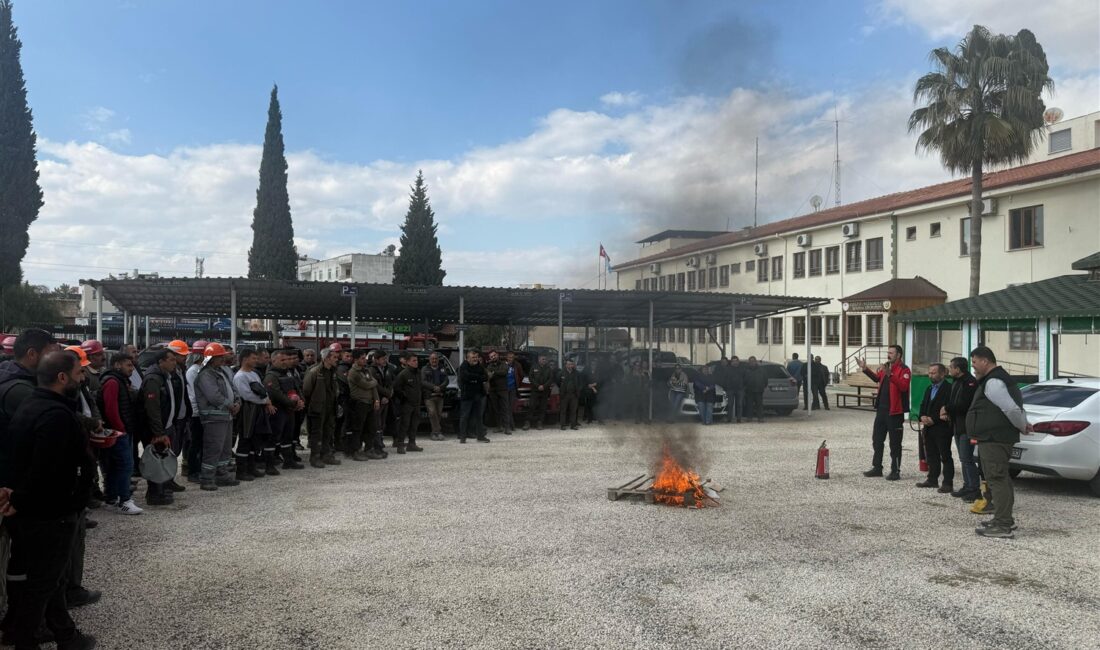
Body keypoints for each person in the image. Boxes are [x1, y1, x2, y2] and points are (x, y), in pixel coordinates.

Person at [0, 351, 97, 650]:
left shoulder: (33, 404)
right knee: (42, 583)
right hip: (51, 514)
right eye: (80, 373)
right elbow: (47, 469)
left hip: (38, 510)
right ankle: (24, 641)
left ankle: (65, 634)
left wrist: (16, 494)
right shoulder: (55, 415)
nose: (83, 379)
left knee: (47, 578)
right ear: (62, 377)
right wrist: (23, 499)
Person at [965, 346, 1028, 539]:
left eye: (974, 362)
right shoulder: (997, 379)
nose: (973, 367)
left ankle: (1002, 525)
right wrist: (1025, 424)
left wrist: (1023, 426)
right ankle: (1003, 520)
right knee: (1000, 479)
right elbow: (1013, 408)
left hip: (994, 439)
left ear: (985, 361)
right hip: (994, 437)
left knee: (997, 479)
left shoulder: (993, 381)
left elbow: (1010, 409)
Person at [97, 353, 143, 514]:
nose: (132, 369)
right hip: (118, 432)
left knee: (116, 467)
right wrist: (121, 429)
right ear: (117, 365)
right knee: (125, 465)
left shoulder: (119, 381)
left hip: (120, 430)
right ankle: (124, 499)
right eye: (128, 365)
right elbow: (111, 409)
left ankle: (111, 498)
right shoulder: (113, 382)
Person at [858, 345, 912, 481]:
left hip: (895, 412)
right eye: (888, 352)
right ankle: (877, 468)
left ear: (899, 355)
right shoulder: (886, 366)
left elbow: (904, 387)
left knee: (895, 443)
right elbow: (877, 378)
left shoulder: (904, 369)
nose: (888, 355)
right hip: (881, 410)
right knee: (877, 440)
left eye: (891, 353)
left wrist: (891, 375)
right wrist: (865, 369)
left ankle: (895, 470)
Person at [137, 349, 183, 506]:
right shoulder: (153, 379)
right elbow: (153, 408)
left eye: (174, 359)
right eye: (170, 359)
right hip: (155, 429)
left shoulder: (167, 376)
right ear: (160, 362)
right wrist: (158, 432)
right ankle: (155, 494)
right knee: (155, 461)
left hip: (167, 426)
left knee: (164, 459)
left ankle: (163, 488)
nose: (174, 362)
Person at [193, 343, 241, 491]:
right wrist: (230, 405)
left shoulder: (222, 371)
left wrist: (238, 402)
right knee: (213, 447)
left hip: (226, 415)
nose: (222, 359)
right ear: (211, 358)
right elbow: (213, 396)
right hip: (214, 417)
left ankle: (222, 474)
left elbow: (233, 388)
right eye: (219, 357)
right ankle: (207, 478)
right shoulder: (205, 374)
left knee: (225, 448)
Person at [941, 357, 980, 501]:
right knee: (963, 459)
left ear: (958, 369)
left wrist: (946, 408)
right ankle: (967, 485)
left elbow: (964, 405)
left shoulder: (969, 383)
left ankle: (974, 489)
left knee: (967, 459)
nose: (949, 369)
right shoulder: (956, 382)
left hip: (966, 427)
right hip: (957, 425)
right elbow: (952, 401)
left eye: (951, 367)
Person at [260, 350, 305, 472]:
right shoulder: (271, 376)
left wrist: (300, 401)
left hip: (289, 411)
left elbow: (297, 387)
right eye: (282, 360)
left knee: (288, 436)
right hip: (278, 411)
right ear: (273, 361)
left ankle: (288, 461)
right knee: (273, 438)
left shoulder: (288, 373)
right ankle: (269, 465)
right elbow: (276, 394)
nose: (285, 362)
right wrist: (293, 403)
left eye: (286, 360)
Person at [916, 363, 954, 492]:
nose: (930, 375)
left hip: (942, 428)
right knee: (931, 455)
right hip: (928, 428)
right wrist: (922, 417)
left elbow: (948, 408)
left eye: (934, 372)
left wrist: (934, 419)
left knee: (945, 455)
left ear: (942, 374)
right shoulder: (929, 388)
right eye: (930, 372)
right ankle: (932, 479)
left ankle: (948, 483)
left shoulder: (949, 388)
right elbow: (923, 405)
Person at [303, 346, 340, 468]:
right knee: (317, 433)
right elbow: (307, 390)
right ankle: (315, 457)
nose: (337, 359)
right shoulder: (314, 371)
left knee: (328, 432)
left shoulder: (333, 371)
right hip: (318, 408)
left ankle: (326, 455)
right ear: (326, 358)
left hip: (330, 407)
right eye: (334, 357)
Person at [345, 349, 380, 459]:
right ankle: (355, 450)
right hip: (359, 403)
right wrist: (374, 382)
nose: (365, 360)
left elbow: (373, 386)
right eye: (362, 358)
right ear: (355, 360)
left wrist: (376, 399)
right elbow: (366, 385)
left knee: (371, 427)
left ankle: (369, 449)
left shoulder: (366, 370)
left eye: (365, 357)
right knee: (358, 428)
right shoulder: (353, 372)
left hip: (369, 403)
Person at [393, 351, 429, 453]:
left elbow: (420, 385)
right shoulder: (403, 374)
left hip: (416, 403)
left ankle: (411, 444)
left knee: (414, 424)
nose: (416, 362)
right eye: (413, 361)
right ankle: (400, 445)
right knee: (404, 425)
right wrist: (404, 397)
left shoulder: (418, 372)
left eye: (416, 360)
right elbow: (396, 388)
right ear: (408, 362)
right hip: (407, 404)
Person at [183, 341, 208, 484]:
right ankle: (193, 471)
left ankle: (200, 468)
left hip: (202, 410)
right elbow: (194, 393)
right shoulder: (194, 370)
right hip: (196, 412)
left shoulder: (201, 369)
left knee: (202, 442)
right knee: (195, 442)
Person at [457, 350, 489, 443]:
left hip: (478, 394)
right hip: (467, 395)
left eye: (476, 357)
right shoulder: (463, 367)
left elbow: (485, 377)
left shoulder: (479, 366)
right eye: (473, 357)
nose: (475, 359)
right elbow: (465, 377)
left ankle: (480, 436)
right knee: (464, 416)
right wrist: (477, 378)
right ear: (467, 358)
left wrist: (473, 378)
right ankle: (463, 437)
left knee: (479, 416)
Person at [367, 350, 395, 456]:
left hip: (386, 400)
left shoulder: (387, 368)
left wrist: (389, 394)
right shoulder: (372, 370)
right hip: (377, 400)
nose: (385, 361)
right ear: (376, 359)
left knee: (382, 424)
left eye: (386, 358)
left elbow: (390, 382)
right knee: (376, 424)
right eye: (383, 359)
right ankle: (375, 446)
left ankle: (380, 444)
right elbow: (375, 386)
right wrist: (385, 395)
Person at [421, 352, 447, 440]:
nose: (434, 360)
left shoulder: (442, 368)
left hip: (440, 395)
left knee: (438, 414)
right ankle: (437, 432)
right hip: (429, 396)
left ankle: (434, 432)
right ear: (429, 359)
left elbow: (446, 380)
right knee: (432, 413)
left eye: (436, 358)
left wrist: (440, 387)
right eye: (432, 359)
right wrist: (433, 387)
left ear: (438, 359)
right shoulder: (424, 369)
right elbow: (423, 382)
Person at [485, 351, 512, 434]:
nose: (493, 357)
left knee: (505, 409)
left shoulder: (504, 364)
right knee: (496, 410)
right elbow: (488, 375)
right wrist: (494, 373)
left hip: (503, 390)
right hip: (493, 390)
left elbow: (504, 372)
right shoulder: (489, 366)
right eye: (491, 356)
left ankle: (507, 427)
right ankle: (499, 426)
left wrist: (494, 373)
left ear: (498, 355)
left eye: (494, 355)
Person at [525, 355, 554, 430]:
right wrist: (538, 386)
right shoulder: (534, 367)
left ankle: (540, 423)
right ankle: (527, 422)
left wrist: (544, 386)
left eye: (545, 359)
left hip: (545, 391)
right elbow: (531, 377)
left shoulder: (549, 368)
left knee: (543, 407)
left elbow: (550, 379)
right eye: (543, 359)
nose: (544, 360)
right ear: (539, 360)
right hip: (535, 390)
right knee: (531, 406)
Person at [557, 359, 587, 431]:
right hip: (565, 395)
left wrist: (579, 389)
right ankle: (562, 425)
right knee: (563, 410)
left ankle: (573, 425)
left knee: (573, 410)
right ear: (566, 365)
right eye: (569, 364)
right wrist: (562, 389)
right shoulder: (561, 373)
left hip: (574, 395)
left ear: (573, 365)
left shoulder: (577, 373)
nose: (570, 365)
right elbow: (558, 382)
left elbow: (581, 383)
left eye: (571, 364)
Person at [743, 357, 767, 423]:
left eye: (753, 361)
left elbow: (765, 379)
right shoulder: (746, 370)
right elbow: (743, 380)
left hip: (759, 390)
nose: (752, 363)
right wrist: (745, 387)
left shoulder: (761, 370)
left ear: (756, 361)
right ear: (749, 362)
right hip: (749, 390)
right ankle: (749, 418)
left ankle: (760, 418)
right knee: (749, 405)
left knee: (759, 405)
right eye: (750, 361)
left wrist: (763, 386)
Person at [723, 357, 745, 423]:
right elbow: (724, 379)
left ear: (738, 361)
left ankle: (739, 419)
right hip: (730, 389)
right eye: (733, 361)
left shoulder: (742, 369)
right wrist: (727, 387)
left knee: (739, 405)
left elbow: (746, 378)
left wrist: (743, 387)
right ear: (731, 362)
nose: (735, 362)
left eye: (736, 361)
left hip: (740, 389)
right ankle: (729, 419)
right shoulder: (728, 369)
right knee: (730, 405)